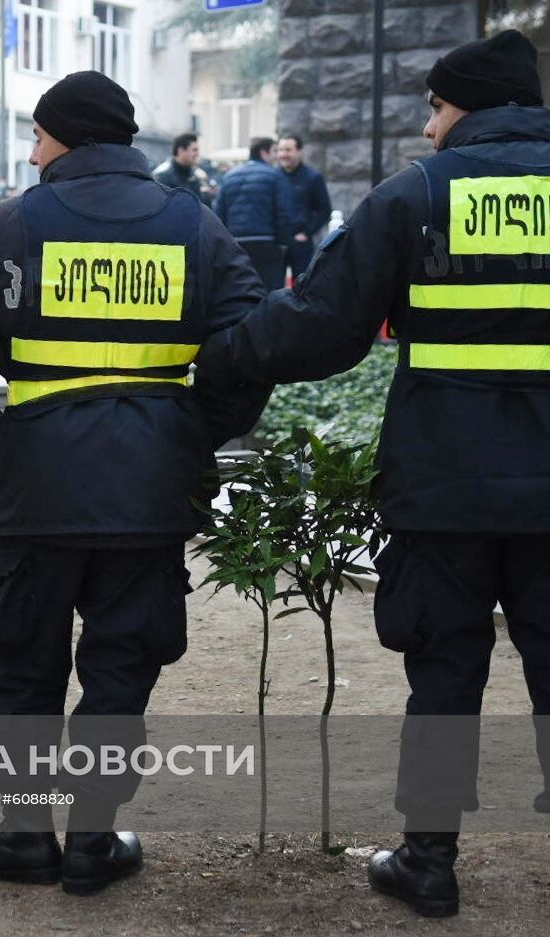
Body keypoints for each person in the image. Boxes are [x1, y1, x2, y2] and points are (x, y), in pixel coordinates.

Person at [195, 29, 549, 919]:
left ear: (466, 106)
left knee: (444, 673)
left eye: (435, 108)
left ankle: (428, 860)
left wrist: (225, 354)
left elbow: (321, 325)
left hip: (444, 483)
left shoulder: (415, 194)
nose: (429, 127)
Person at [0, 71, 269, 897]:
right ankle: (93, 841)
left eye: (37, 138)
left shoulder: (11, 223)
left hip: (36, 488)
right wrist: (189, 432)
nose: (34, 154)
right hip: (149, 493)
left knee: (24, 666)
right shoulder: (194, 224)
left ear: (61, 136)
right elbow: (252, 349)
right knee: (121, 669)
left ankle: (24, 835)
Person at [212, 136, 295, 291]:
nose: (277, 156)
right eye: (274, 151)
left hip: (236, 242)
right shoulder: (276, 176)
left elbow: (219, 214)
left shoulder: (229, 177)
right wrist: (284, 242)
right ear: (263, 153)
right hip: (267, 242)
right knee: (269, 289)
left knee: (240, 287)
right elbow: (283, 213)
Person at [276, 134, 331, 278]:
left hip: (301, 244)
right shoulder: (272, 177)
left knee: (302, 285)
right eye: (280, 150)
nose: (283, 154)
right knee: (274, 286)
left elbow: (324, 210)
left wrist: (307, 233)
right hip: (277, 244)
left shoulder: (313, 177)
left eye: (288, 150)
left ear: (300, 151)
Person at [152, 132, 215, 207]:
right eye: (194, 150)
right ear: (181, 150)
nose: (198, 154)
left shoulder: (194, 175)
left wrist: (205, 195)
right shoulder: (162, 175)